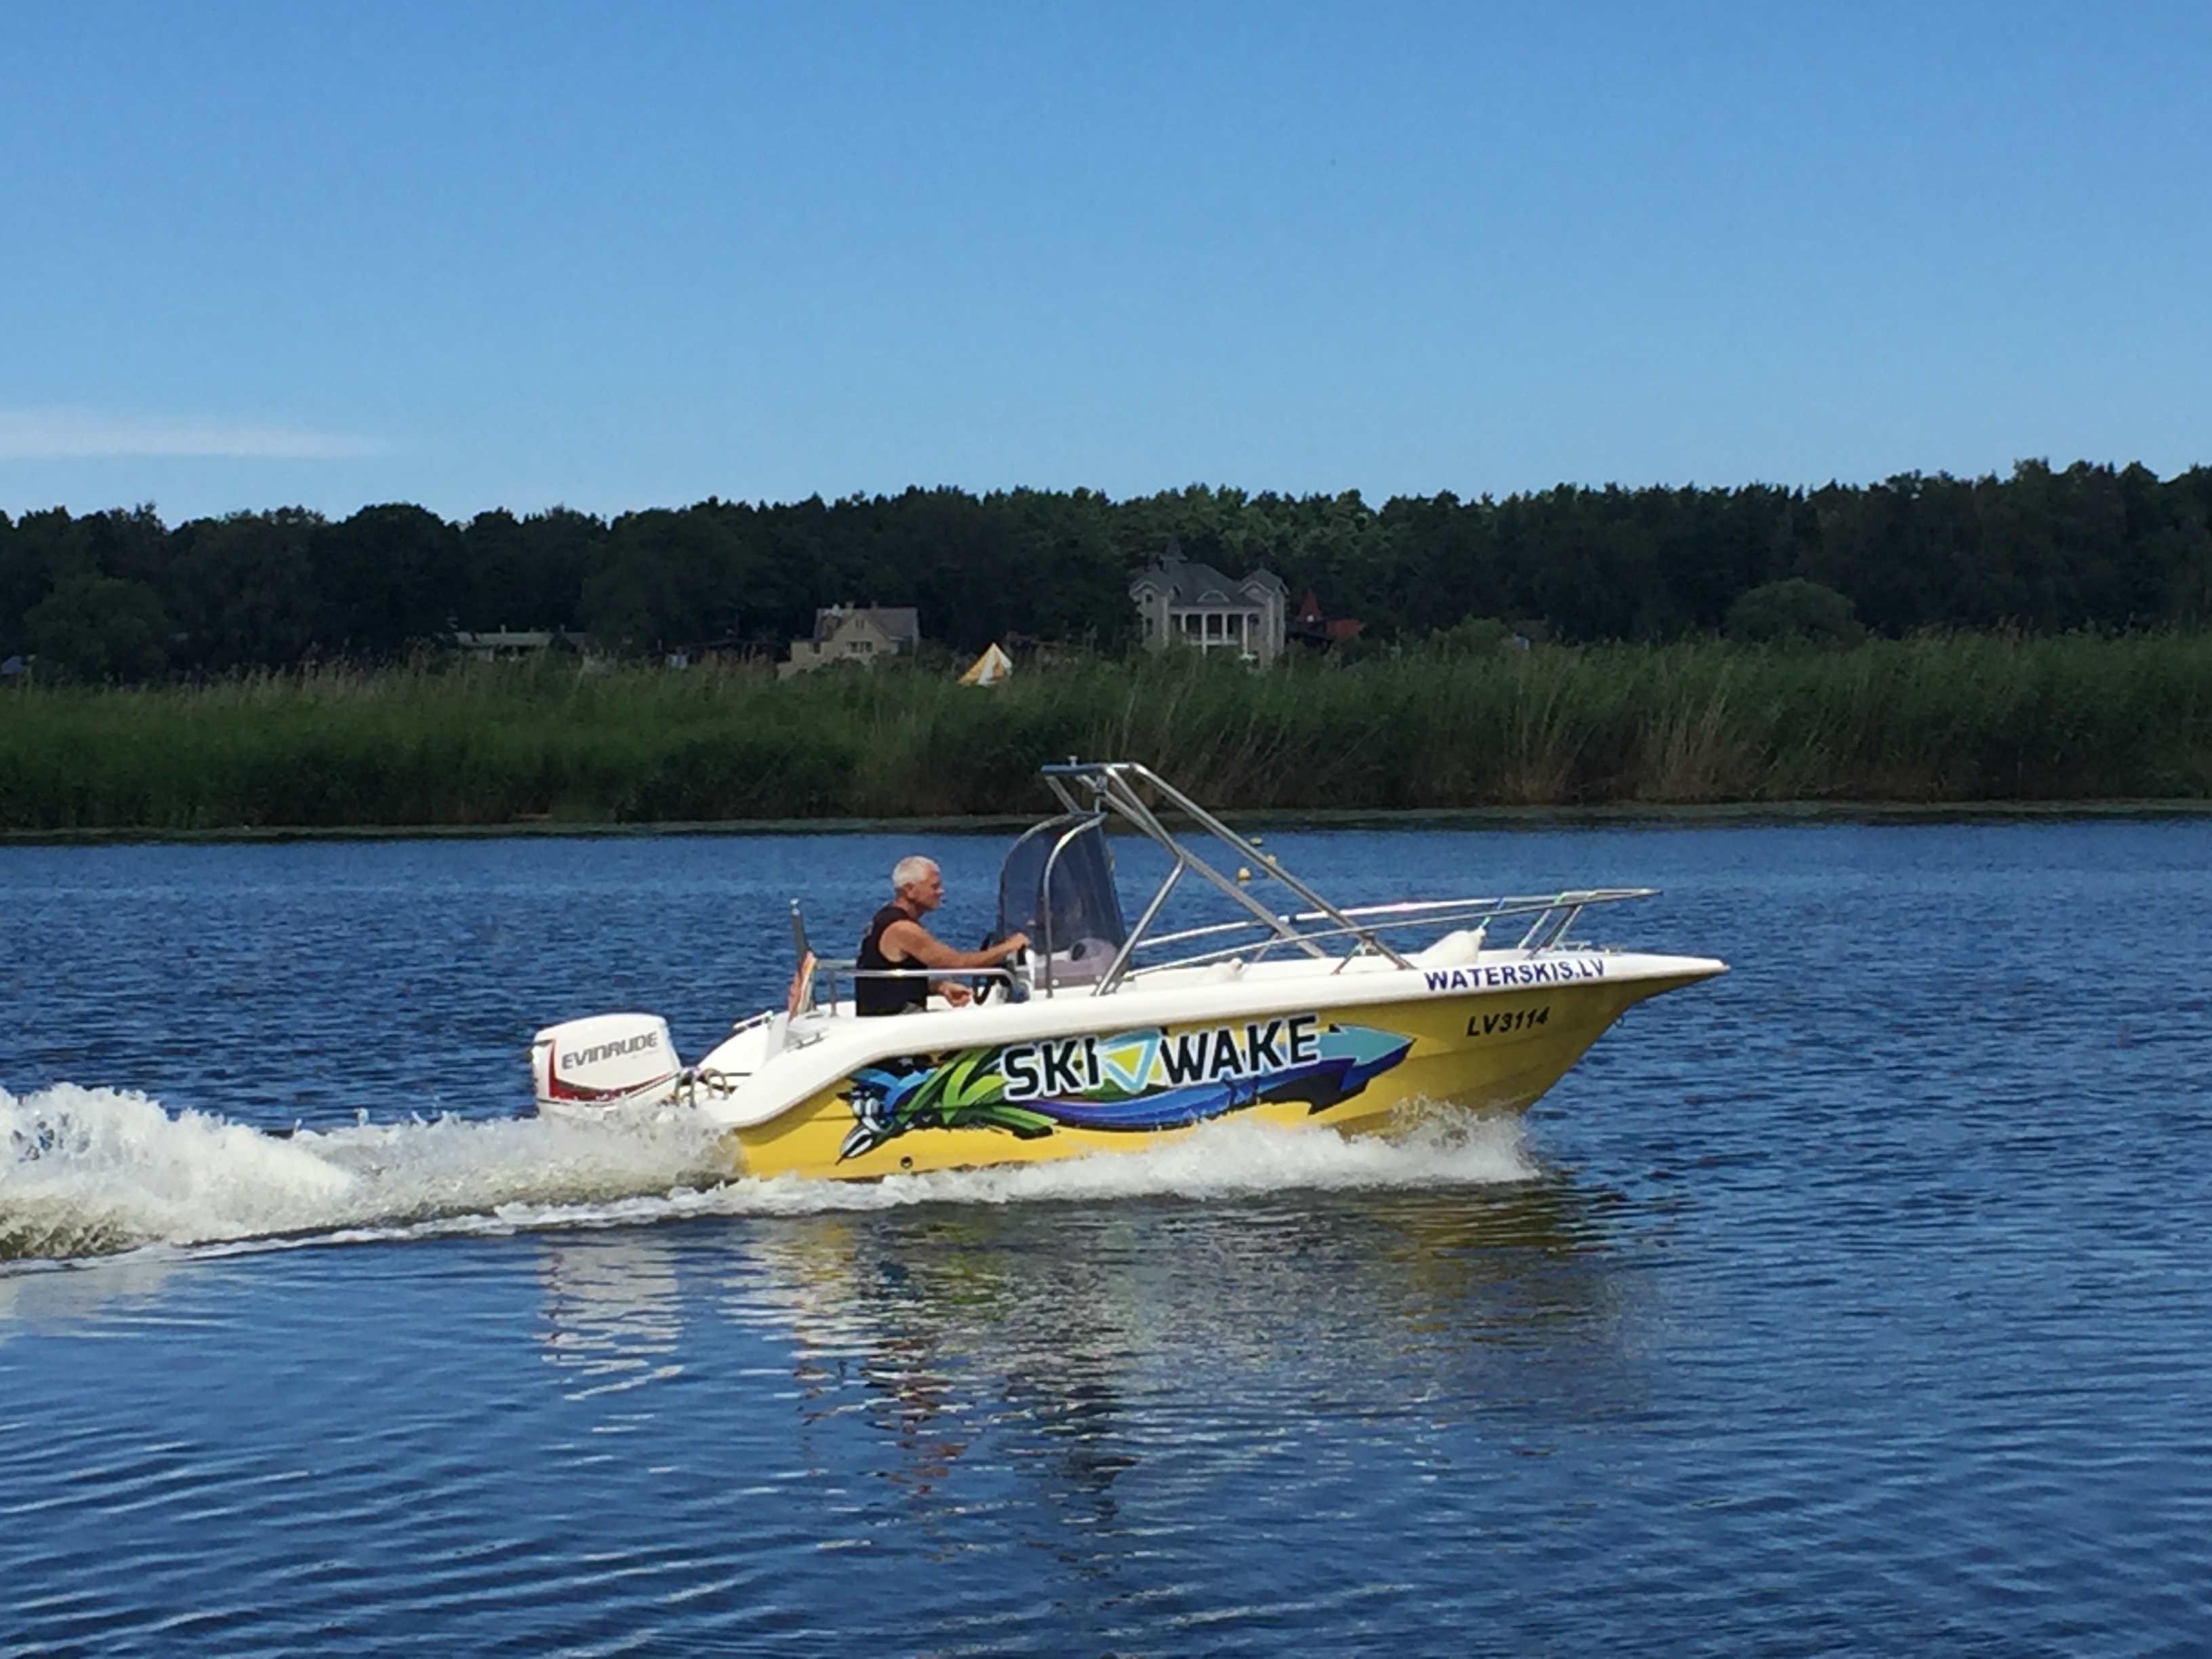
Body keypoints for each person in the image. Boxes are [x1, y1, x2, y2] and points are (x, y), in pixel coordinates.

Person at [855, 856, 1029, 1016]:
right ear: (910, 890)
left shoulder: (883, 919)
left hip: (887, 1013)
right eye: (934, 886)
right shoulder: (903, 929)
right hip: (897, 1016)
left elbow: (894, 979)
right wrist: (1009, 947)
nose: (941, 891)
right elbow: (957, 964)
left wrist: (941, 987)